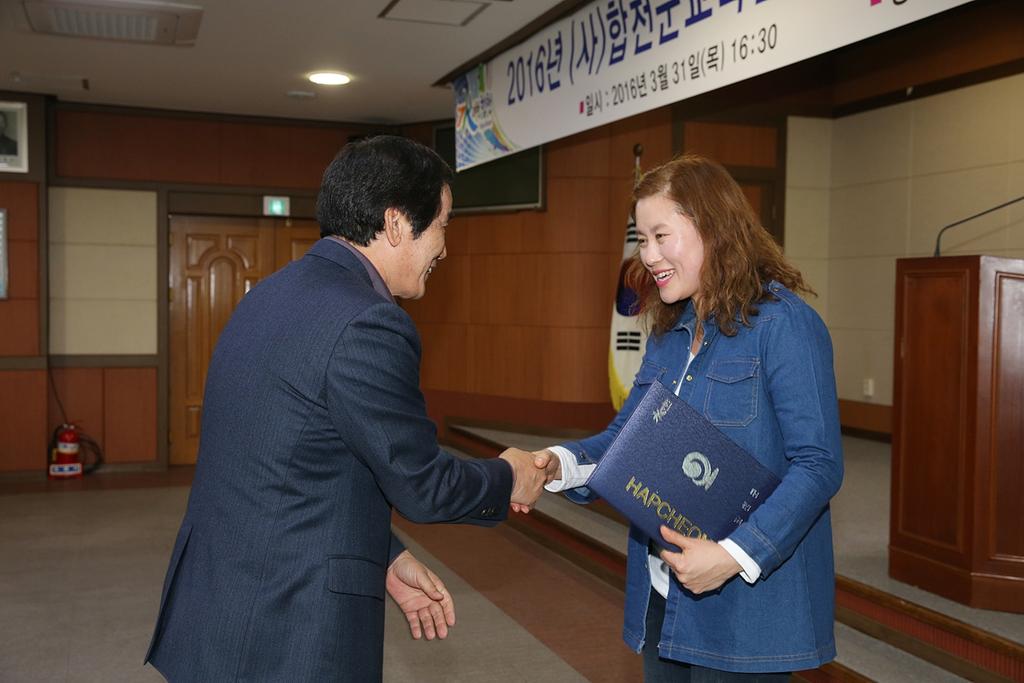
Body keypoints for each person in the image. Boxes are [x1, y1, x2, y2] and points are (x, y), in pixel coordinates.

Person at [145, 135, 551, 682]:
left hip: (219, 611)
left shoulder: (268, 295)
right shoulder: (369, 323)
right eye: (443, 225)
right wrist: (510, 477)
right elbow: (422, 484)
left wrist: (382, 552)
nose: (446, 248)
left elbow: (287, 461)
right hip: (286, 631)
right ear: (396, 224)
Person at [535, 154, 844, 681]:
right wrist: (553, 464)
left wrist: (732, 554)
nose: (647, 255)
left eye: (661, 236)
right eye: (642, 239)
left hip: (746, 609)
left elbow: (817, 465)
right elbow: (626, 443)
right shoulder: (669, 335)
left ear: (713, 228)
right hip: (664, 594)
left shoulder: (785, 326)